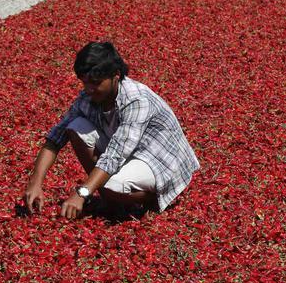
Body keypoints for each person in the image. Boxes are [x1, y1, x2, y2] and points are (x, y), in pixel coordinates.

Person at [23, 41, 200, 220]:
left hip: (160, 160)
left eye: (96, 82)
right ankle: (111, 200)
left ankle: (153, 198)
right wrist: (35, 183)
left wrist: (82, 193)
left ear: (116, 76)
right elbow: (55, 138)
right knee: (75, 127)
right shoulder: (88, 97)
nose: (89, 89)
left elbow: (115, 155)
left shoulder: (136, 101)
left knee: (112, 185)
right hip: (129, 151)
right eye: (84, 82)